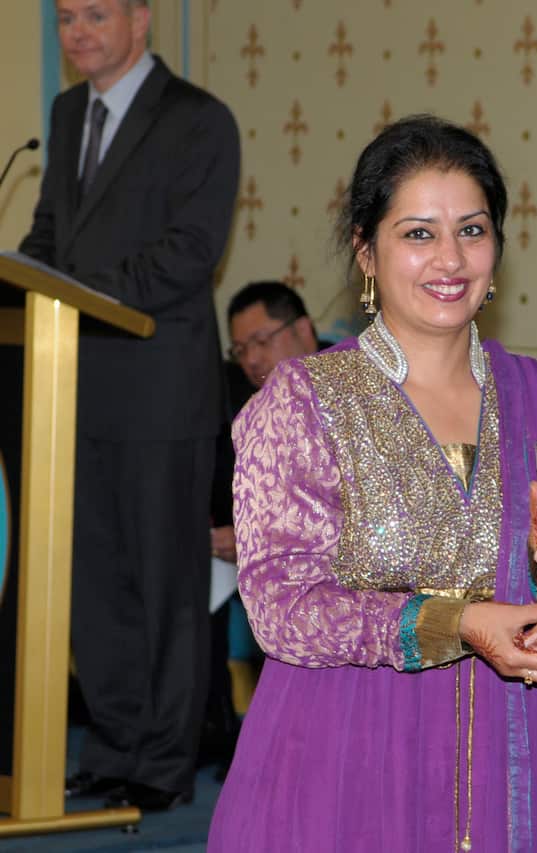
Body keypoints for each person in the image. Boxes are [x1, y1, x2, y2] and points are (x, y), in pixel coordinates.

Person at [207, 114, 537, 853]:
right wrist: (456, 622)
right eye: (418, 233)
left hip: (500, 759)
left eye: (472, 230)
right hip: (339, 756)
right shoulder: (304, 400)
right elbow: (281, 608)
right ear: (365, 250)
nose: (450, 258)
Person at [18, 0, 239, 812]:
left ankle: (161, 762)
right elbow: (52, 232)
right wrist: (28, 272)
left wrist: (80, 292)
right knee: (95, 584)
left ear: (141, 19)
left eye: (96, 14)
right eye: (66, 18)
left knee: (164, 583)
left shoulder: (198, 120)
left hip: (159, 386)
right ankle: (112, 747)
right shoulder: (69, 110)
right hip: (72, 384)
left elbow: (192, 251)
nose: (78, 32)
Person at [203, 282, 324, 777]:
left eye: (263, 340)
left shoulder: (353, 391)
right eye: (240, 349)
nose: (252, 359)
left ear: (303, 330)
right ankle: (215, 732)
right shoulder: (247, 404)